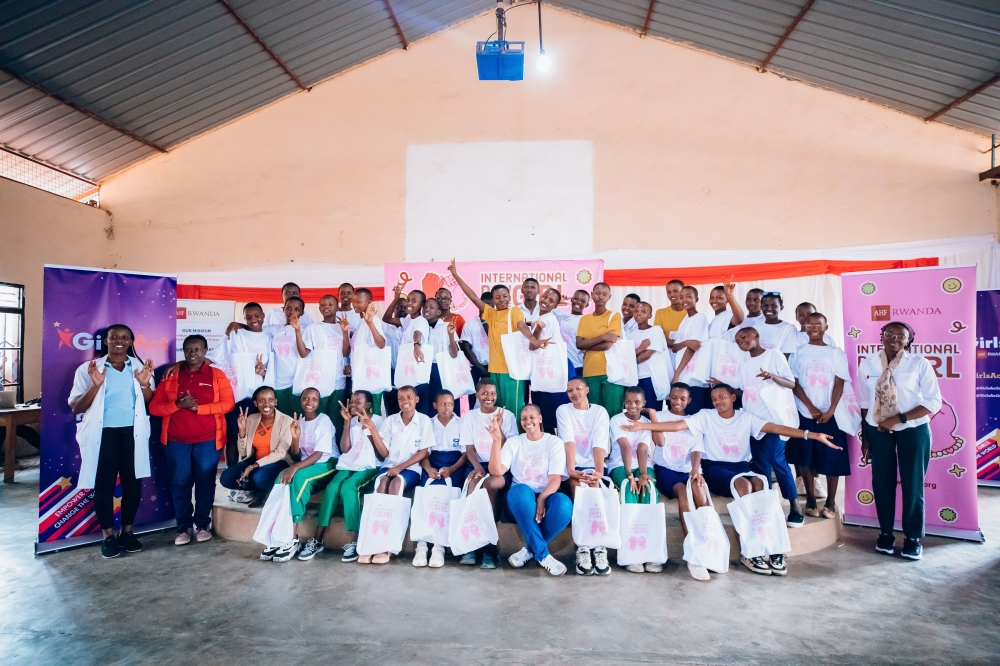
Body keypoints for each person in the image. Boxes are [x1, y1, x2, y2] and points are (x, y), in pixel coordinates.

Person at [621, 383, 839, 576]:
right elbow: (677, 426)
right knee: (744, 485)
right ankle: (750, 551)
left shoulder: (746, 418)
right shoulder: (705, 416)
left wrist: (811, 434)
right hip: (716, 468)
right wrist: (644, 426)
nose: (717, 402)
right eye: (714, 399)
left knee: (761, 484)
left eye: (722, 397)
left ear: (733, 398)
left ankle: (773, 548)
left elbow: (775, 428)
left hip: (741, 466)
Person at [69, 325, 155, 559]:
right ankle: (108, 536)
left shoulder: (139, 367)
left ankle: (127, 532)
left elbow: (150, 403)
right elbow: (75, 406)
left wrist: (145, 384)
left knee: (133, 485)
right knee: (104, 486)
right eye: (113, 337)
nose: (119, 341)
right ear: (105, 341)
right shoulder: (88, 369)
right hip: (102, 435)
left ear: (131, 342)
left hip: (132, 434)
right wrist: (95, 386)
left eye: (124, 337)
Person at [858, 321, 942, 560]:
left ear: (909, 340)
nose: (894, 339)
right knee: (882, 483)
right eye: (889, 334)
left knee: (913, 484)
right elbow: (865, 402)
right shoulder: (868, 363)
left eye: (900, 336)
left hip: (913, 429)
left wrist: (899, 418)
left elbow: (932, 401)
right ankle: (885, 534)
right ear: (881, 336)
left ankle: (912, 538)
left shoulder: (919, 364)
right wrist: (866, 436)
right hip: (877, 429)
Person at [149, 334, 235, 546]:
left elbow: (228, 404)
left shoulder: (217, 375)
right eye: (188, 350)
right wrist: (178, 405)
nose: (193, 354)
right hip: (176, 441)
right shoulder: (171, 376)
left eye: (197, 350)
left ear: (205, 352)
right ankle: (183, 526)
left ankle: (202, 524)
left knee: (205, 482)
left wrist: (200, 408)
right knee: (180, 483)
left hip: (208, 440)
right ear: (183, 352)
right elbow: (154, 408)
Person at [487, 405, 571, 576]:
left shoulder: (553, 442)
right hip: (519, 502)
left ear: (540, 419)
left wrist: (542, 499)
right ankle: (543, 554)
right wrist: (496, 441)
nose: (528, 421)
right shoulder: (514, 442)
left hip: (546, 495)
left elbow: (555, 479)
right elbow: (496, 471)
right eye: (524, 418)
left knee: (564, 505)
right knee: (521, 491)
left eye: (532, 417)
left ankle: (529, 550)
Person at [448, 260, 539, 415]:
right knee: (499, 411)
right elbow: (472, 296)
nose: (501, 300)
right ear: (493, 300)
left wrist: (534, 339)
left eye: (504, 296)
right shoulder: (490, 314)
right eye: (497, 297)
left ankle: (515, 439)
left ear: (509, 297)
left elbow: (521, 325)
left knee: (514, 410)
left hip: (512, 371)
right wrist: (455, 274)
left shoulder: (515, 311)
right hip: (495, 370)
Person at [734, 326, 804, 527]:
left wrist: (772, 377)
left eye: (744, 337)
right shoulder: (745, 365)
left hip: (774, 420)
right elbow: (745, 392)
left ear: (756, 335)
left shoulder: (774, 355)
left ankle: (794, 506)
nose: (741, 341)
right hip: (753, 423)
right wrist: (724, 387)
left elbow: (791, 383)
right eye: (738, 340)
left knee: (777, 460)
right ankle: (768, 508)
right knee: (760, 465)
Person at [646, 383, 713, 581]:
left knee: (699, 490)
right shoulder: (661, 415)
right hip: (666, 470)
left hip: (687, 469)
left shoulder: (694, 420)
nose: (678, 402)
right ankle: (692, 550)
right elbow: (659, 442)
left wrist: (695, 470)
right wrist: (653, 416)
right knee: (683, 492)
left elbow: (696, 450)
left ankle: (709, 543)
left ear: (689, 401)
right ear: (669, 397)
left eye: (682, 399)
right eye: (674, 397)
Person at [787, 313, 851, 519]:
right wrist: (810, 407)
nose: (813, 327)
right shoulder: (797, 353)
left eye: (818, 324)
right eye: (809, 324)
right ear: (804, 326)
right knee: (806, 457)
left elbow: (839, 383)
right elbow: (794, 383)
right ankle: (812, 500)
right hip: (805, 413)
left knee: (833, 456)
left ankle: (831, 502)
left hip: (831, 414)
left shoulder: (836, 353)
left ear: (826, 327)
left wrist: (830, 409)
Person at [361, 385, 433, 564]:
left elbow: (423, 452)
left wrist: (400, 468)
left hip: (411, 469)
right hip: (389, 466)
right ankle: (373, 543)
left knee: (396, 484)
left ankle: (389, 545)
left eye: (409, 397)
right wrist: (373, 430)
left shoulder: (424, 421)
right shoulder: (391, 421)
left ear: (416, 400)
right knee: (380, 484)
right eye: (401, 398)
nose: (405, 401)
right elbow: (384, 454)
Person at [267, 388, 338, 563]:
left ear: (319, 402)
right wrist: (295, 437)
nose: (309, 402)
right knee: (280, 478)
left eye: (314, 399)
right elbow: (297, 455)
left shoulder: (324, 421)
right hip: (306, 463)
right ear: (300, 400)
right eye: (305, 398)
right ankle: (277, 536)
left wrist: (295, 468)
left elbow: (319, 454)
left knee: (298, 478)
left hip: (326, 463)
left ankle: (292, 537)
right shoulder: (299, 422)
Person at [459, 378, 518, 568]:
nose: (489, 397)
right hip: (477, 463)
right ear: (477, 395)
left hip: (501, 464)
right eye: (484, 393)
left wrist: (498, 427)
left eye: (492, 393)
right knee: (473, 485)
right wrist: (477, 467)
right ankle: (472, 542)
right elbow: (469, 449)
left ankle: (489, 545)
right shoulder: (470, 417)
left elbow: (511, 447)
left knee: (491, 485)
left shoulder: (506, 415)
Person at [318, 390, 383, 563]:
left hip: (369, 466)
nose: (353, 405)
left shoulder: (379, 421)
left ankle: (355, 542)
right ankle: (317, 539)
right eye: (352, 401)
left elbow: (381, 455)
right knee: (332, 488)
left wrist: (369, 430)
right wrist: (347, 423)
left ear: (368, 404)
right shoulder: (351, 421)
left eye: (358, 402)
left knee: (348, 488)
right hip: (349, 464)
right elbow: (345, 449)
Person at [556, 377, 611, 576]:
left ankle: (599, 546)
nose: (574, 393)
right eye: (570, 390)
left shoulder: (599, 412)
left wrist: (599, 472)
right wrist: (571, 470)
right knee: (578, 492)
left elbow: (599, 441)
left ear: (587, 390)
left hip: (594, 464)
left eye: (578, 388)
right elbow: (568, 441)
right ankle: (583, 547)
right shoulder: (563, 410)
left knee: (595, 492)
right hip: (574, 465)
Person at [609, 386, 661, 573]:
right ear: (624, 402)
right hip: (620, 465)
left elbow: (642, 449)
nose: (632, 406)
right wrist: (630, 475)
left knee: (648, 489)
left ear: (644, 404)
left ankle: (651, 552)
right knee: (627, 487)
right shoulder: (616, 420)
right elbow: (624, 446)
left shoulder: (646, 423)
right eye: (629, 402)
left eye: (637, 402)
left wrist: (643, 474)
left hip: (643, 465)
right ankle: (631, 553)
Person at [414, 390, 467, 568]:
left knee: (446, 496)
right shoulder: (427, 424)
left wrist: (451, 470)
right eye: (443, 404)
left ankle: (439, 546)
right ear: (435, 405)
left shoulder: (461, 423)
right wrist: (428, 469)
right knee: (426, 494)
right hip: (431, 463)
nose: (447, 408)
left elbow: (466, 454)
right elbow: (423, 453)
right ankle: (421, 545)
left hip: (454, 465)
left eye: (450, 404)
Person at [215, 302, 271, 467]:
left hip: (261, 397)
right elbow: (216, 357)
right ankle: (231, 475)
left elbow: (275, 366)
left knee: (256, 438)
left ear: (263, 315)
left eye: (257, 316)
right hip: (238, 395)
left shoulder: (270, 336)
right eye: (248, 317)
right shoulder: (236, 334)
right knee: (232, 436)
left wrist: (263, 372)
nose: (254, 320)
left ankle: (251, 474)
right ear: (244, 319)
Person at [220, 386, 293, 507]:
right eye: (262, 400)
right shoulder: (251, 419)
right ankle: (258, 489)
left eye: (270, 400)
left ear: (276, 401)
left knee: (259, 477)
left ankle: (264, 491)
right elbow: (243, 452)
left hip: (279, 462)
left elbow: (280, 453)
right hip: (255, 460)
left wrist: (253, 466)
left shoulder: (286, 421)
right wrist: (242, 431)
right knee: (226, 478)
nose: (266, 404)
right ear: (255, 403)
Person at [301, 293, 352, 426]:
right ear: (319, 308)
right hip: (319, 380)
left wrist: (345, 333)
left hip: (338, 379)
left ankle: (336, 446)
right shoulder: (313, 328)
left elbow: (346, 353)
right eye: (323, 305)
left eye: (330, 304)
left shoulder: (342, 327)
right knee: (320, 416)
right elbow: (304, 353)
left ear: (337, 308)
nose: (326, 307)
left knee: (336, 416)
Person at [576, 282, 625, 415]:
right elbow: (579, 344)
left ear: (609, 296)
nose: (600, 297)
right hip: (590, 372)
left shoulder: (614, 316)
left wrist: (589, 344)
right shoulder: (584, 319)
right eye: (597, 293)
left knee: (613, 412)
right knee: (595, 414)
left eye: (604, 294)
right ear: (592, 295)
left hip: (611, 372)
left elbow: (608, 345)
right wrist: (603, 336)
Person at [528, 288, 570, 434]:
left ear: (555, 306)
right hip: (542, 375)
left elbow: (533, 345)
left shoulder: (548, 319)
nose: (545, 301)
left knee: (548, 419)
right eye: (545, 297)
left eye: (551, 301)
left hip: (548, 378)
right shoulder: (538, 314)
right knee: (545, 417)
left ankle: (554, 451)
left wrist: (538, 328)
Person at [383, 282, 430, 411]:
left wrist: (416, 346)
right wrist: (396, 297)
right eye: (408, 300)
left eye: (414, 301)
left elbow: (417, 333)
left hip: (417, 378)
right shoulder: (408, 321)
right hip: (408, 374)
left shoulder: (421, 320)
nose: (409, 303)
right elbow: (386, 318)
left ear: (421, 305)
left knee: (418, 412)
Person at [342, 289, 388, 416]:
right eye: (353, 301)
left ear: (369, 302)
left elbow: (381, 344)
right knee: (362, 416)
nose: (354, 304)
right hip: (360, 380)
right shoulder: (360, 324)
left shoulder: (374, 321)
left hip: (372, 382)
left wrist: (370, 323)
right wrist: (345, 333)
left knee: (374, 416)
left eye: (358, 301)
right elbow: (349, 353)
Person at [262, 296, 309, 416]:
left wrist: (297, 330)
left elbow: (303, 354)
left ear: (302, 313)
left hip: (297, 381)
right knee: (281, 418)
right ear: (283, 309)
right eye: (288, 308)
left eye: (297, 309)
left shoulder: (306, 330)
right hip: (279, 382)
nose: (292, 311)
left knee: (297, 418)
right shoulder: (275, 329)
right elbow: (254, 328)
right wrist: (237, 325)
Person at [669, 286, 710, 412]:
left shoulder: (700, 318)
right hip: (683, 377)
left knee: (693, 415)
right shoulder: (685, 320)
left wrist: (677, 373)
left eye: (688, 296)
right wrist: (686, 342)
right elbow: (675, 347)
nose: (684, 300)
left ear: (696, 298)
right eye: (681, 297)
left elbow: (693, 347)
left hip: (693, 377)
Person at [423, 298, 462, 417]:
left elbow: (454, 354)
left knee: (446, 401)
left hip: (443, 369)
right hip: (425, 370)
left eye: (431, 307)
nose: (427, 310)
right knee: (428, 403)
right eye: (424, 307)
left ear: (439, 312)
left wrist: (451, 335)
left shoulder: (446, 326)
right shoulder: (421, 327)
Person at [629, 301, 670, 411]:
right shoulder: (630, 334)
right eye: (636, 311)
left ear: (649, 315)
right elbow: (626, 358)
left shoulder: (655, 330)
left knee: (652, 411)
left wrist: (632, 360)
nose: (639, 314)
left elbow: (647, 355)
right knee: (638, 412)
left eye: (643, 311)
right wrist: (641, 348)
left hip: (651, 378)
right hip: (636, 379)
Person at [459, 292, 491, 409]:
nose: (487, 309)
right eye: (484, 305)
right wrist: (480, 368)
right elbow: (466, 348)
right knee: (474, 404)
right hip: (477, 369)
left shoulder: (498, 323)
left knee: (494, 402)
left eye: (491, 306)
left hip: (496, 370)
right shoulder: (470, 324)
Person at [556, 290, 590, 379]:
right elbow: (541, 307)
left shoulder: (587, 320)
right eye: (576, 298)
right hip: (560, 365)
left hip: (578, 365)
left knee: (576, 392)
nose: (578, 302)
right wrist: (558, 301)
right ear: (571, 299)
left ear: (587, 304)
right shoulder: (560, 315)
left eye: (583, 301)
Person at [383, 296, 407, 416]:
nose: (402, 309)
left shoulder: (410, 326)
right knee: (391, 404)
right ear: (394, 308)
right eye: (399, 306)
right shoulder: (384, 328)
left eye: (405, 307)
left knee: (407, 403)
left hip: (406, 372)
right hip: (390, 372)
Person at [754, 292, 797, 357]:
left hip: (777, 366)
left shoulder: (789, 328)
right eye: (765, 305)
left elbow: (786, 355)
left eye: (774, 306)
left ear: (781, 307)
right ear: (761, 307)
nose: (769, 309)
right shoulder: (755, 327)